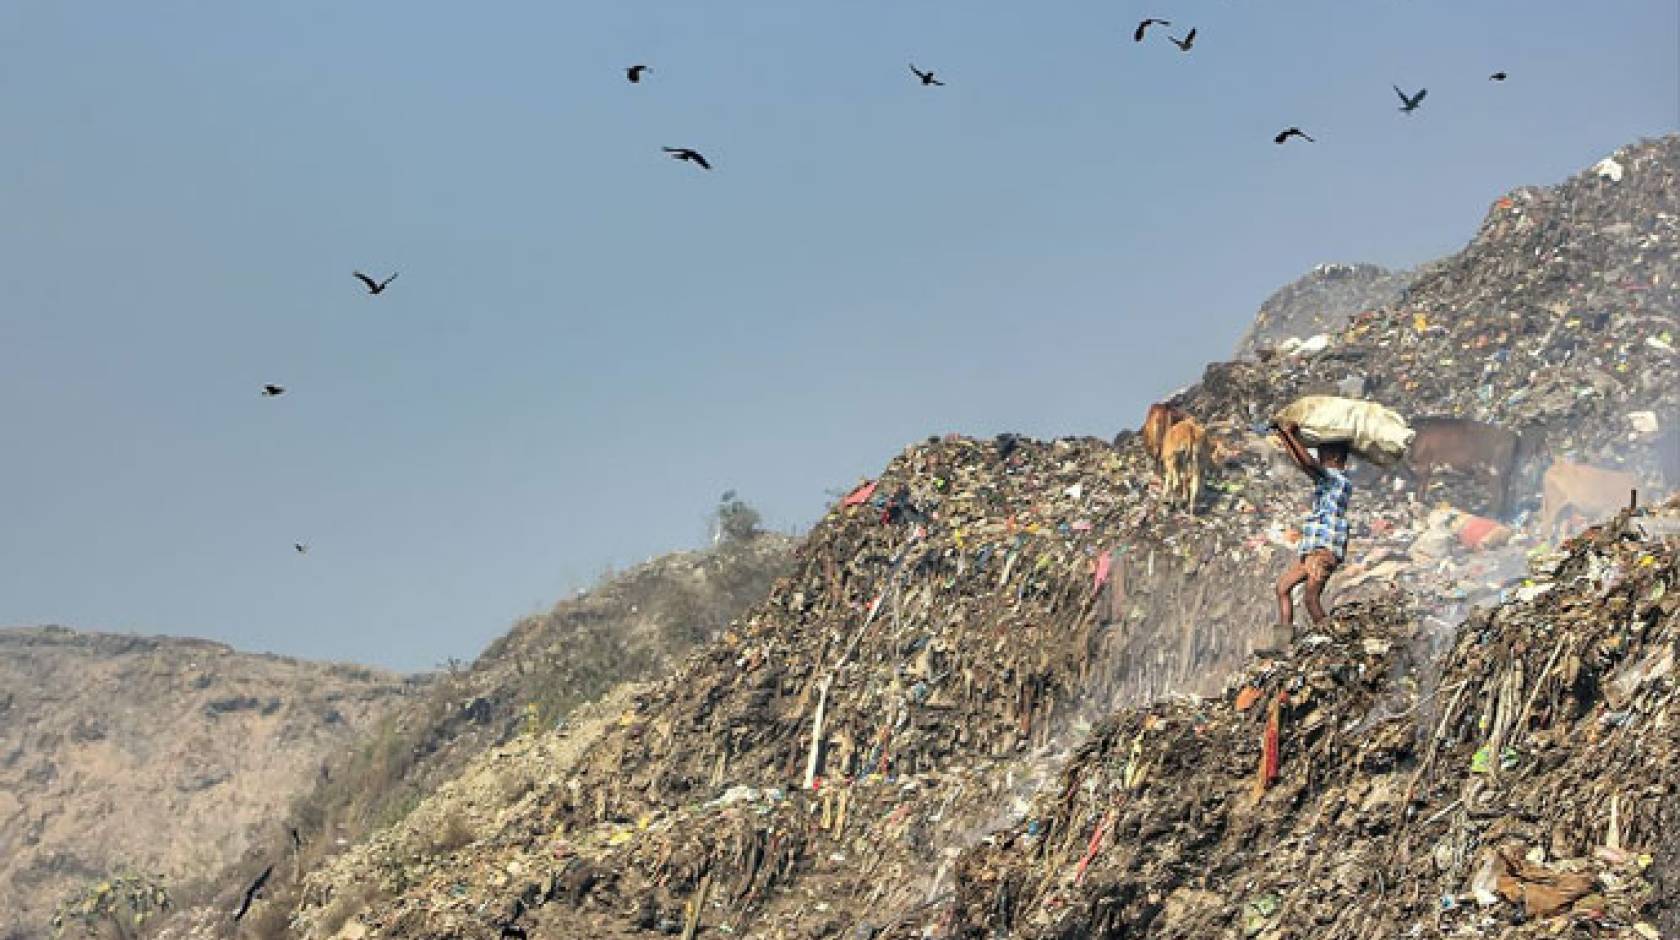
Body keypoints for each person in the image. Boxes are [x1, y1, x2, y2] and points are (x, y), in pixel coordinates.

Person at [1268, 422, 1353, 648]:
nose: (1319, 459)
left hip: (1324, 551)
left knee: (1310, 598)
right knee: (1282, 588)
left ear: (1334, 459)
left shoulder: (1337, 480)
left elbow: (1308, 463)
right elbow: (1303, 464)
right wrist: (1284, 437)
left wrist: (1288, 434)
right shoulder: (1326, 480)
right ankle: (1282, 643)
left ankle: (1332, 642)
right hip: (1311, 552)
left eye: (1323, 455)